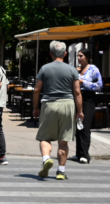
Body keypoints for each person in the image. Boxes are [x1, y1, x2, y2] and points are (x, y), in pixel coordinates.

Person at [32, 41, 84, 180]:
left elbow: (37, 89)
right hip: (68, 104)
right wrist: (80, 111)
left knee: (44, 137)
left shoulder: (44, 68)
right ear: (65, 54)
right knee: (63, 141)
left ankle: (46, 158)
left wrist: (35, 107)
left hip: (49, 104)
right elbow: (77, 92)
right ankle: (61, 171)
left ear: (50, 54)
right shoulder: (72, 70)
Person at [72, 48, 102, 164]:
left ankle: (85, 154)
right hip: (77, 97)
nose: (79, 58)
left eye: (81, 56)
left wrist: (83, 82)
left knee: (85, 125)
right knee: (77, 126)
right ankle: (78, 153)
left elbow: (99, 86)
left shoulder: (93, 69)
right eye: (78, 56)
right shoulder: (77, 70)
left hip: (88, 98)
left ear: (87, 57)